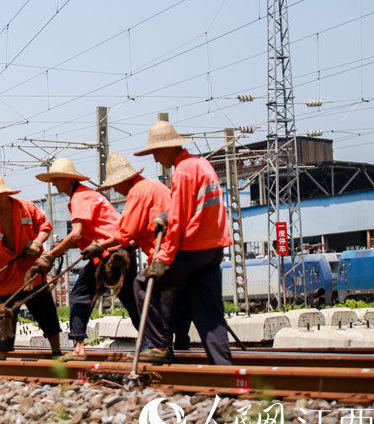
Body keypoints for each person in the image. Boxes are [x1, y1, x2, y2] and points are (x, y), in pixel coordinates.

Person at [133, 120, 233, 365]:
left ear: (168, 148)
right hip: (214, 248)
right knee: (209, 311)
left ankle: (158, 347)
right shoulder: (201, 164)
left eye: (156, 152)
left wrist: (162, 258)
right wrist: (164, 216)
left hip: (193, 247)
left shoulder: (183, 171)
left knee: (144, 284)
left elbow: (178, 221)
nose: (156, 159)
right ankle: (224, 367)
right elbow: (191, 207)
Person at [0, 171, 61, 360]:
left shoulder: (27, 208)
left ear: (6, 193)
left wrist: (37, 242)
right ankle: (1, 361)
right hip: (6, 281)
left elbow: (44, 227)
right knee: (5, 321)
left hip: (32, 276)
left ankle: (57, 352)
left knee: (47, 315)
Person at [34, 158, 120, 361]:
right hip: (114, 251)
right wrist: (60, 248)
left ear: (69, 180)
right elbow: (80, 238)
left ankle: (79, 348)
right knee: (130, 299)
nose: (54, 184)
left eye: (57, 180)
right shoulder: (87, 195)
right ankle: (156, 344)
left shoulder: (80, 197)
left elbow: (77, 234)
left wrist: (51, 255)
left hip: (110, 252)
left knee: (80, 295)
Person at [89, 152, 171, 328]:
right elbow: (143, 229)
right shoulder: (155, 186)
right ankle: (180, 345)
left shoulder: (137, 192)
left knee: (142, 292)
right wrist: (133, 245)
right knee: (177, 301)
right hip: (176, 251)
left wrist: (99, 246)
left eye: (115, 186)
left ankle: (155, 345)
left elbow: (125, 232)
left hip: (164, 256)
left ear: (123, 181)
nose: (116, 190)